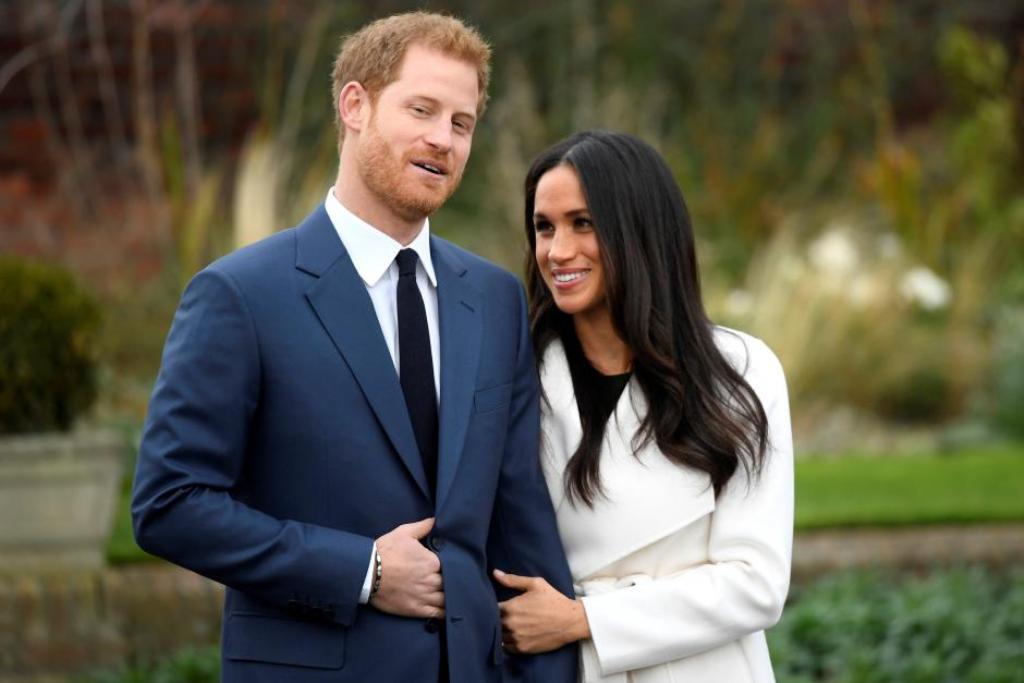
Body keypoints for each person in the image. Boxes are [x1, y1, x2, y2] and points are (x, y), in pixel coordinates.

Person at [131, 12, 577, 683]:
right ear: (355, 105)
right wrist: (360, 570)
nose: (443, 139)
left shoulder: (493, 298)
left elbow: (522, 524)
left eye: (462, 123)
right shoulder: (240, 295)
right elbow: (169, 503)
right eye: (421, 109)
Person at [492, 130, 794, 683]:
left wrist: (583, 618)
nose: (558, 251)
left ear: (639, 230)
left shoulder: (741, 373)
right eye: (544, 227)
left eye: (583, 223)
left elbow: (756, 584)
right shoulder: (515, 376)